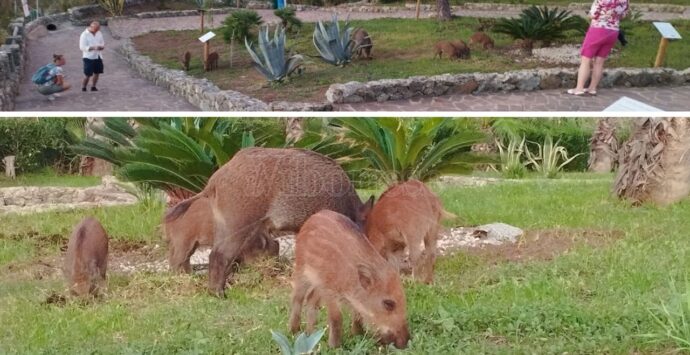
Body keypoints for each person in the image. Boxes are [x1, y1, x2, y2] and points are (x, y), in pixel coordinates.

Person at [567, 0, 629, 96]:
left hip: (598, 30)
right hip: (613, 32)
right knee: (599, 62)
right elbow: (624, 15)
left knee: (586, 60)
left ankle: (579, 88)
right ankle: (592, 88)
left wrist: (589, 14)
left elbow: (593, 15)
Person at [79, 21, 105, 92]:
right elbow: (82, 47)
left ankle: (93, 86)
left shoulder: (99, 33)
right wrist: (93, 48)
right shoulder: (84, 35)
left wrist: (102, 47)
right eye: (96, 29)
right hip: (88, 57)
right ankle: (84, 87)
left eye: (98, 29)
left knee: (97, 73)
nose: (97, 31)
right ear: (91, 27)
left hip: (98, 56)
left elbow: (102, 42)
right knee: (88, 74)